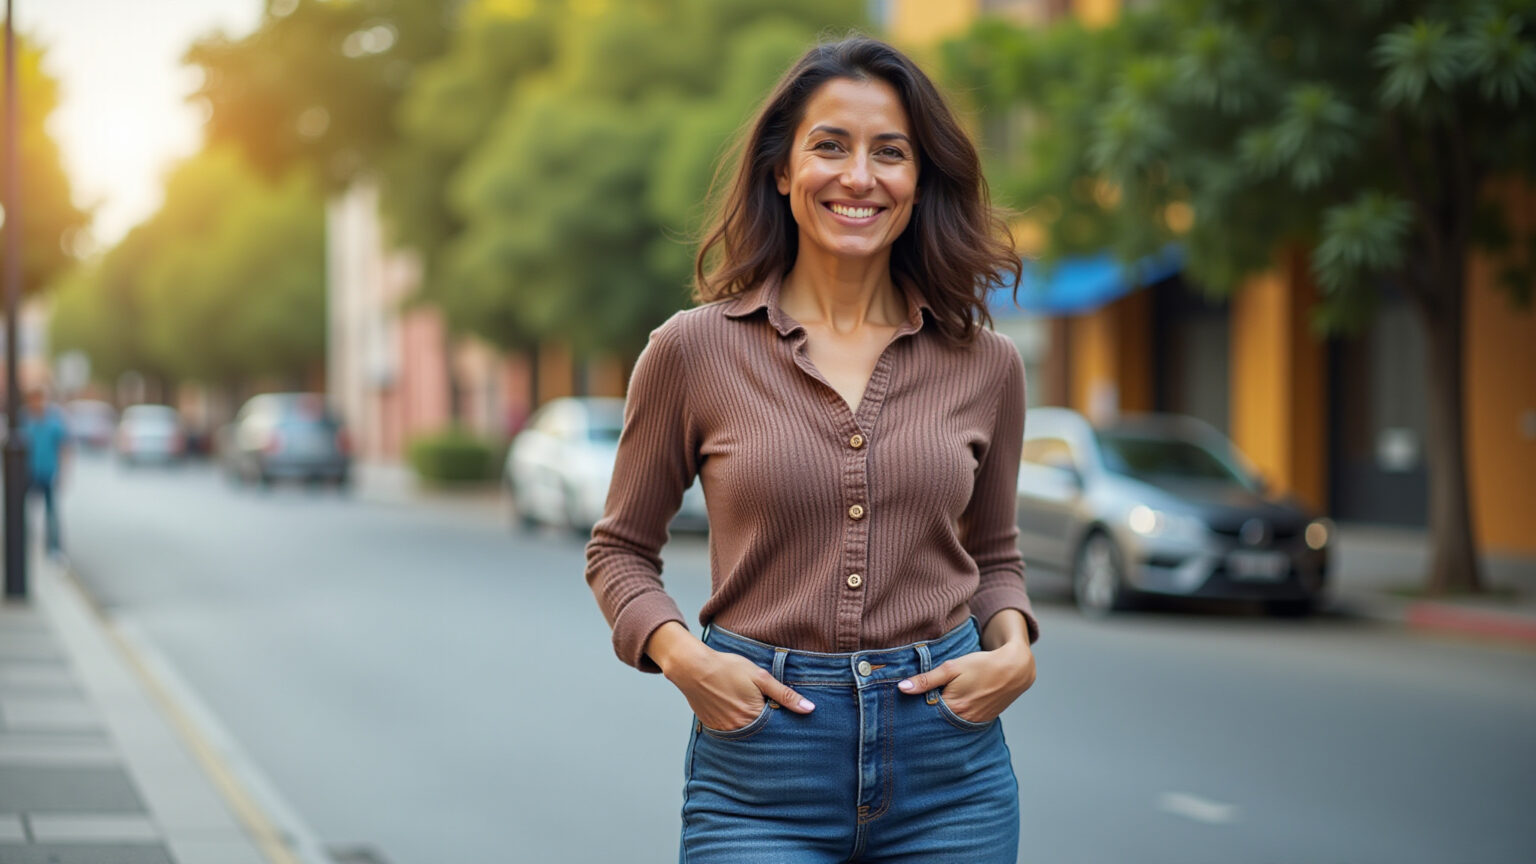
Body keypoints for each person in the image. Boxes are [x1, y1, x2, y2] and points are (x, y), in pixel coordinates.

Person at [586, 35, 1038, 862]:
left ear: (919, 181)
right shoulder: (692, 351)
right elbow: (619, 552)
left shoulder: (987, 363)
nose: (859, 176)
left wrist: (1014, 651)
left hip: (951, 771)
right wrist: (685, 661)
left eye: (890, 153)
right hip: (762, 769)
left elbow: (994, 556)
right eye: (830, 146)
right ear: (782, 170)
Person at [22, 386, 70, 555]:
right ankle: (25, 543)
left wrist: (63, 473)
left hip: (48, 472)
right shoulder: (24, 419)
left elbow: (64, 447)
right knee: (23, 510)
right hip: (28, 473)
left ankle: (53, 548)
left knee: (51, 512)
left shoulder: (54, 420)